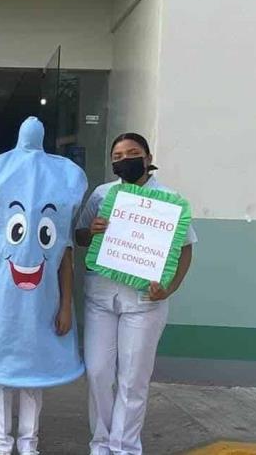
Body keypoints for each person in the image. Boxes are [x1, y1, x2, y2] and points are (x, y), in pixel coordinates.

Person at [0, 117, 87, 455]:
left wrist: (65, 306)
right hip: (0, 301)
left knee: (35, 375)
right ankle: (1, 444)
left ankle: (28, 444)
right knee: (1, 375)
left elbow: (64, 256)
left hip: (41, 304)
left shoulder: (57, 204)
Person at [75, 132, 196, 455]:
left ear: (147, 157)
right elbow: (80, 236)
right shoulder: (103, 194)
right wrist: (93, 230)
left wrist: (169, 288)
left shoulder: (170, 201)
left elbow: (185, 250)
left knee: (133, 379)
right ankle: (100, 442)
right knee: (98, 371)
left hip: (144, 302)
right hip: (101, 296)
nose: (123, 159)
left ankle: (125, 447)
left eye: (131, 153)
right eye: (117, 155)